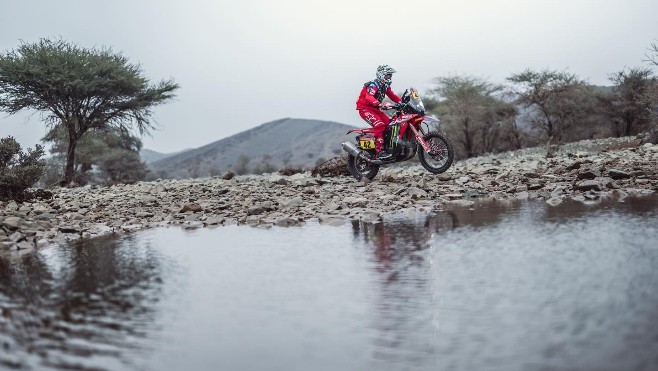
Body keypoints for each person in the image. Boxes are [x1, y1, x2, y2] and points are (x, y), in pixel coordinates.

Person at [355, 64, 402, 159]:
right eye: (387, 75)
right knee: (379, 125)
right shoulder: (374, 84)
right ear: (381, 74)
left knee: (391, 125)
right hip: (365, 109)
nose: (389, 77)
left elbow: (392, 95)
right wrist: (379, 104)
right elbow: (368, 97)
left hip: (375, 109)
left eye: (390, 75)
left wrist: (402, 102)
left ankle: (387, 146)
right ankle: (379, 151)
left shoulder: (385, 85)